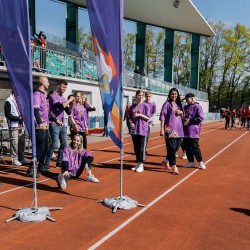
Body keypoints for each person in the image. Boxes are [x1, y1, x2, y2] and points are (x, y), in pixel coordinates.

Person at [44, 80, 75, 170]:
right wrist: (69, 100)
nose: (64, 89)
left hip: (62, 124)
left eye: (65, 87)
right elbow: (60, 106)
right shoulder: (53, 95)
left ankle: (59, 162)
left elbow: (68, 111)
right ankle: (46, 163)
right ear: (58, 86)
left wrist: (72, 105)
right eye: (63, 87)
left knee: (64, 144)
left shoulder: (63, 98)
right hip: (54, 123)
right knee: (54, 145)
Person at [26, 77, 50, 177]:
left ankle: (41, 166)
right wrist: (40, 123)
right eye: (47, 81)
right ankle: (31, 168)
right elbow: (36, 110)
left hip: (46, 125)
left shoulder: (43, 95)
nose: (48, 83)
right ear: (41, 83)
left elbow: (46, 112)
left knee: (45, 147)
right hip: (39, 126)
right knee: (40, 148)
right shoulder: (36, 94)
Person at [159, 88, 184, 175]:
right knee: (172, 148)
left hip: (179, 129)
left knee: (177, 146)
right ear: (169, 95)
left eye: (175, 94)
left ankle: (166, 161)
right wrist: (162, 129)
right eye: (172, 94)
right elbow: (162, 117)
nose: (174, 95)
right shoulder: (167, 104)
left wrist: (181, 112)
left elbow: (183, 115)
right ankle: (174, 166)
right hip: (170, 129)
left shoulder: (178, 104)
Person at [4, 91, 30, 166]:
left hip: (21, 126)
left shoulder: (20, 102)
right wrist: (18, 119)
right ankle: (14, 159)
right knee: (14, 143)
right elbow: (8, 115)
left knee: (22, 143)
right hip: (14, 126)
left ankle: (21, 158)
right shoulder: (8, 101)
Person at [129, 90, 151, 173]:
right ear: (136, 96)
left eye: (142, 95)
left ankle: (141, 164)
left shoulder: (146, 106)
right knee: (136, 147)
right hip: (134, 130)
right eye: (139, 95)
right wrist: (131, 123)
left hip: (143, 129)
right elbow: (130, 117)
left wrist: (140, 115)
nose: (141, 96)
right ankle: (138, 163)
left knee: (141, 148)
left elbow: (148, 117)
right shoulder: (132, 106)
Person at [182, 93, 206, 170]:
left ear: (192, 98)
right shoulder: (185, 107)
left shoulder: (197, 107)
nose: (186, 100)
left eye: (187, 99)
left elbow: (200, 118)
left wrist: (190, 120)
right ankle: (191, 162)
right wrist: (183, 121)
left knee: (195, 147)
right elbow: (182, 116)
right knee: (187, 146)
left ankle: (200, 162)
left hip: (194, 131)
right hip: (185, 130)